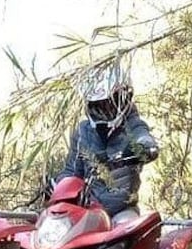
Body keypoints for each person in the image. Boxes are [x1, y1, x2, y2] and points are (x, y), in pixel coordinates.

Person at [57, 63, 159, 219]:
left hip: (121, 211)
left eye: (110, 103)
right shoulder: (83, 131)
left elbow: (143, 136)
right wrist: (58, 186)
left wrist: (143, 147)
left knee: (128, 230)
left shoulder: (131, 125)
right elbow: (72, 171)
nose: (105, 110)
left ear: (124, 98)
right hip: (87, 212)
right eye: (98, 106)